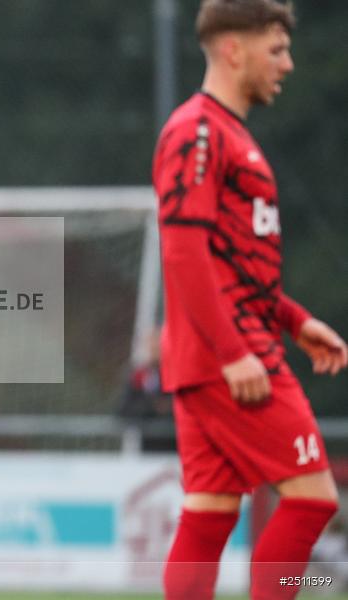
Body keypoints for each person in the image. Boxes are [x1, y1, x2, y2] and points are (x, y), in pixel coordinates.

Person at [152, 2, 348, 598]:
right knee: (315, 501)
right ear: (234, 50)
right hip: (230, 355)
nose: (287, 64)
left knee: (210, 512)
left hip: (221, 348)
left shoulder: (228, 133)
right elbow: (183, 252)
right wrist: (236, 351)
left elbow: (231, 262)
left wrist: (295, 319)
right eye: (276, 49)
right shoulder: (199, 131)